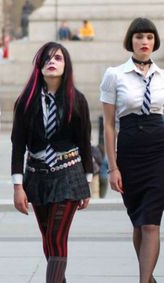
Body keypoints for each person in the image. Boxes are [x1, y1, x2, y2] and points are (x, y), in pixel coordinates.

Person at [11, 41, 93, 283]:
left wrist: (87, 182)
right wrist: (18, 187)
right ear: (39, 66)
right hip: (36, 177)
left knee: (57, 238)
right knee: (48, 239)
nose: (51, 62)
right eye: (46, 58)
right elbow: (17, 146)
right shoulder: (25, 102)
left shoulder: (77, 100)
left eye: (57, 58)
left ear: (66, 65)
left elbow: (85, 143)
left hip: (69, 175)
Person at [100, 17, 163, 283]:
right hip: (129, 152)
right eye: (139, 37)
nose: (144, 42)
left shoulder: (163, 77)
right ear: (131, 41)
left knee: (151, 223)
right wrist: (112, 167)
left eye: (149, 37)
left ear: (155, 41)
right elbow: (109, 126)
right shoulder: (114, 75)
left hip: (159, 150)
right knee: (138, 221)